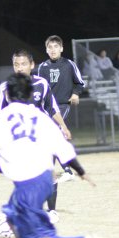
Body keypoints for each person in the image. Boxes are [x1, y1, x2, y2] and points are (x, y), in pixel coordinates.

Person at [0, 73, 100, 238]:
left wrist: (10, 165)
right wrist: (81, 172)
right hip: (45, 179)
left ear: (7, 94)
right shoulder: (41, 117)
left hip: (28, 185)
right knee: (13, 221)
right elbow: (64, 150)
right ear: (30, 94)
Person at [0, 49, 71, 218]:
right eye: (16, 64)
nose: (20, 68)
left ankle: (52, 211)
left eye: (23, 64)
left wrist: (63, 127)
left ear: (31, 65)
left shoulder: (42, 84)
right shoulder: (5, 88)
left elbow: (52, 108)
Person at [37, 35, 85, 181]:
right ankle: (50, 170)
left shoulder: (69, 64)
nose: (53, 49)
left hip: (62, 105)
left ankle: (67, 171)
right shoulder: (42, 67)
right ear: (46, 50)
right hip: (47, 108)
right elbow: (39, 88)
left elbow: (79, 83)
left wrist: (76, 94)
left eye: (56, 46)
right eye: (50, 47)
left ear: (61, 48)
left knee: (53, 134)